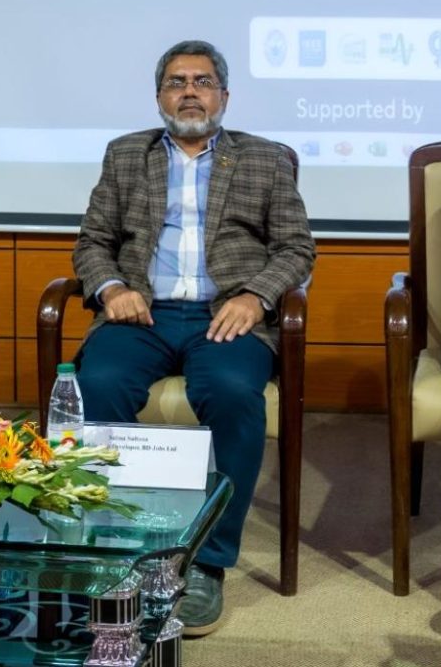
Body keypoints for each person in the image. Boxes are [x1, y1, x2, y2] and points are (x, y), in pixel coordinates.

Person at [72, 39, 316, 638]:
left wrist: (255, 296)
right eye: (177, 81)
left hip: (224, 316)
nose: (189, 91)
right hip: (143, 314)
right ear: (159, 96)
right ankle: (119, 546)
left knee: (233, 395)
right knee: (96, 383)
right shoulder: (126, 155)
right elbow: (92, 242)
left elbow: (297, 247)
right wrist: (109, 288)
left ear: (224, 97)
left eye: (203, 81)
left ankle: (207, 561)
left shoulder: (261, 159)